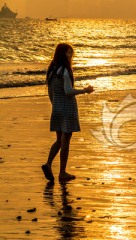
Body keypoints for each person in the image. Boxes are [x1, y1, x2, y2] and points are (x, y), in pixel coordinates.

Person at [42, 43, 94, 182]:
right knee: (65, 142)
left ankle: (48, 164)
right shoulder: (65, 70)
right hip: (68, 107)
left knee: (59, 140)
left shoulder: (52, 70)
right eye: (69, 53)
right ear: (63, 54)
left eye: (72, 53)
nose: (71, 56)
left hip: (57, 107)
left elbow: (50, 92)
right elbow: (68, 91)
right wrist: (84, 90)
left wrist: (55, 104)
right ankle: (62, 172)